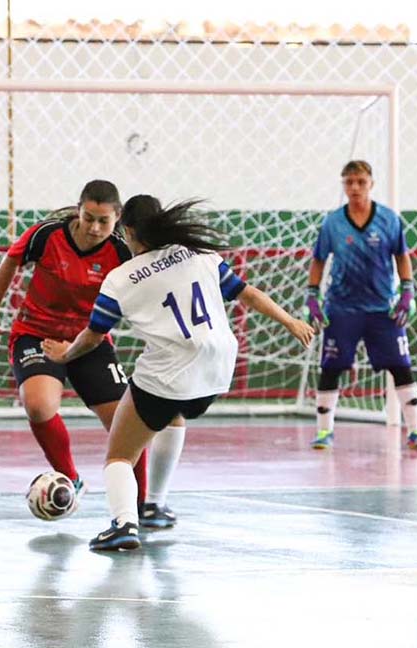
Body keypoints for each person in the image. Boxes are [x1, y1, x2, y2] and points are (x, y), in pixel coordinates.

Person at [43, 195, 313, 551]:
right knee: (173, 413)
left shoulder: (121, 278)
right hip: (217, 372)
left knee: (119, 455)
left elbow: (93, 337)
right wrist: (291, 321)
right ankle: (155, 504)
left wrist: (65, 354)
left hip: (170, 373)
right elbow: (248, 294)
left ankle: (124, 524)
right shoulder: (201, 255)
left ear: (128, 231)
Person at [0, 180, 182, 526]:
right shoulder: (45, 236)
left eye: (103, 221)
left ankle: (140, 506)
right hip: (37, 335)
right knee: (39, 405)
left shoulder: (123, 253)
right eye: (88, 217)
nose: (94, 228)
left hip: (89, 341)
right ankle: (70, 479)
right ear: (78, 209)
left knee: (128, 426)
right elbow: (9, 264)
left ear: (117, 219)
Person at [305, 160, 417, 451]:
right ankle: (324, 432)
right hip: (342, 308)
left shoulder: (389, 220)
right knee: (331, 367)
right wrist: (312, 295)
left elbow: (402, 256)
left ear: (371, 184)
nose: (354, 187)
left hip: (382, 308)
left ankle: (416, 430)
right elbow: (318, 259)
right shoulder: (333, 223)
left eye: (360, 182)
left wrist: (407, 291)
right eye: (349, 182)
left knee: (401, 366)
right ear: (343, 185)